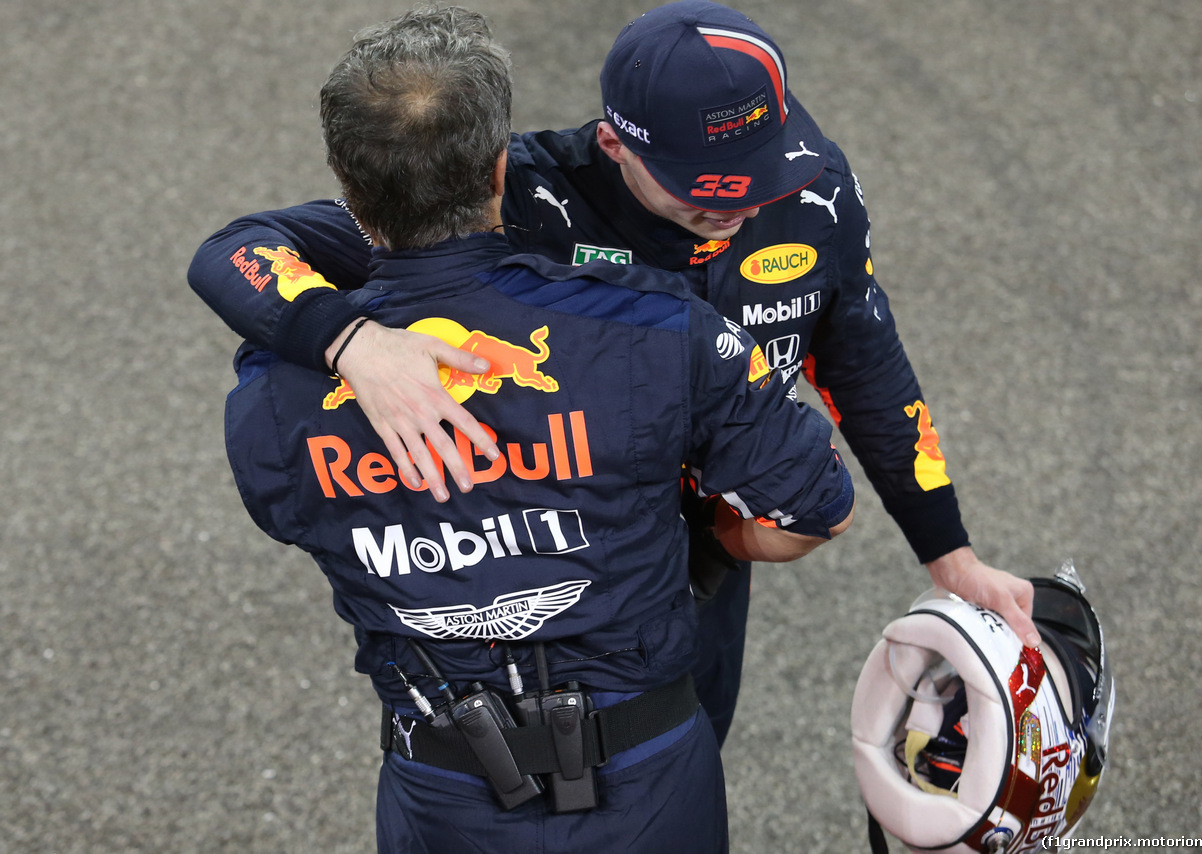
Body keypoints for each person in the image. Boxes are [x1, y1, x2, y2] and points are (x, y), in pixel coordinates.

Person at [190, 0, 1039, 747]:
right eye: (703, 198)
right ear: (614, 144)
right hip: (550, 558)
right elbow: (237, 252)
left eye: (755, 183)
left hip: (703, 569)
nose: (736, 213)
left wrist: (948, 552)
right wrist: (353, 343)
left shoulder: (813, 194)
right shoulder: (516, 194)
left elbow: (862, 358)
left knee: (691, 749)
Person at [219, 6, 854, 852]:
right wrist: (712, 539)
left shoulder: (277, 391)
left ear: (346, 186)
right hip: (651, 785)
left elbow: (289, 508)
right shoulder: (660, 332)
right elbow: (820, 508)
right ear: (496, 170)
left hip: (439, 792)